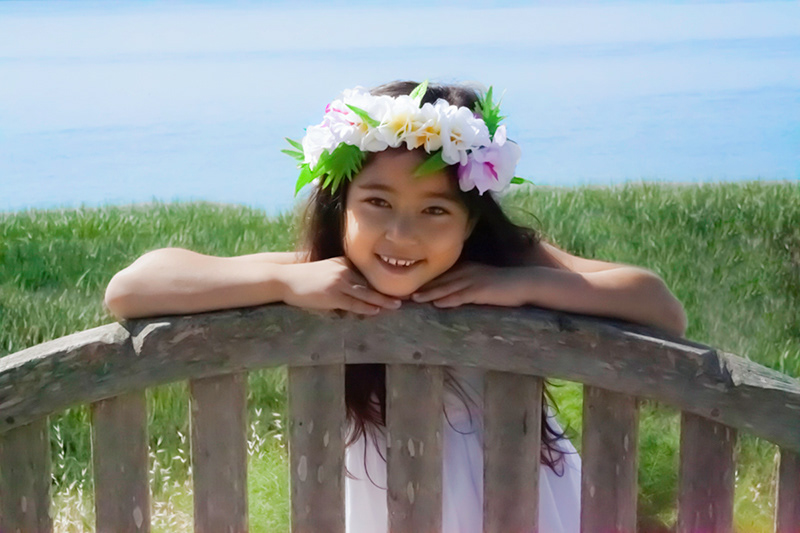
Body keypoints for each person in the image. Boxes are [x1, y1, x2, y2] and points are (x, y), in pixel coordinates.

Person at [105, 80, 687, 532]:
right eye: (377, 203)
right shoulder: (319, 274)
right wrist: (284, 284)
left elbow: (660, 307)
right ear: (341, 207)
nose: (401, 235)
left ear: (470, 221)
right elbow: (130, 288)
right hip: (379, 506)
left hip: (522, 503)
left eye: (434, 211)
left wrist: (524, 285)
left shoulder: (507, 265)